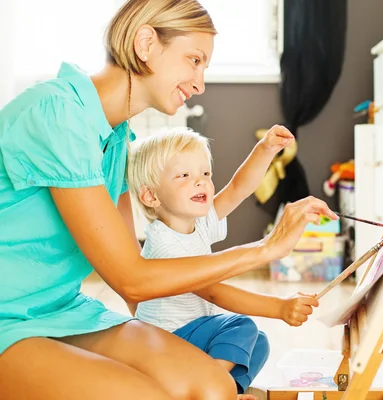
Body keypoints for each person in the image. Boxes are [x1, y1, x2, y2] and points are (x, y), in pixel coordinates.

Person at [0, 1, 338, 399]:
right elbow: (132, 279)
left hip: (64, 310)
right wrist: (264, 249)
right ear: (146, 43)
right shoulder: (57, 114)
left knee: (213, 388)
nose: (200, 83)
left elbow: (129, 279)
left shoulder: (116, 138)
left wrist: (162, 348)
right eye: (193, 60)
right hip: (6, 320)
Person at [128, 126, 320, 396]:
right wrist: (278, 307)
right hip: (165, 344)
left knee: (258, 343)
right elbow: (214, 292)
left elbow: (238, 188)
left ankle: (228, 390)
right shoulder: (163, 244)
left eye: (205, 173)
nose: (201, 182)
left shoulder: (199, 222)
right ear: (152, 196)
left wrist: (264, 150)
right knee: (242, 327)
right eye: (184, 175)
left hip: (190, 338)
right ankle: (206, 390)